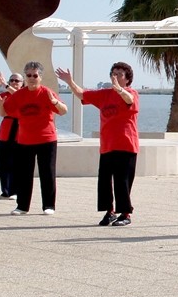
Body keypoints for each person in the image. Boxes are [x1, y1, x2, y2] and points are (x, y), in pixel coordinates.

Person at [55, 63, 140, 227]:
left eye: (120, 74)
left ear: (127, 78)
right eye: (113, 74)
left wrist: (119, 89)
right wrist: (70, 81)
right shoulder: (104, 95)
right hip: (107, 145)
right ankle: (110, 211)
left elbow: (129, 100)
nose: (115, 77)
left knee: (122, 180)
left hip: (126, 144)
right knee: (105, 180)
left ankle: (126, 213)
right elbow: (82, 94)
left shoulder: (131, 93)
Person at [0, 61, 67, 216]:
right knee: (24, 174)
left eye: (35, 75)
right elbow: (3, 113)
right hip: (24, 141)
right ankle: (22, 206)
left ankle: (49, 205)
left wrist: (55, 102)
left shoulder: (47, 92)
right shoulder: (19, 95)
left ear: (40, 77)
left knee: (47, 173)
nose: (31, 78)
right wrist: (0, 105)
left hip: (47, 139)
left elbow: (63, 111)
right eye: (28, 75)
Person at [0, 71, 22, 200]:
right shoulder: (5, 95)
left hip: (19, 129)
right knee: (3, 162)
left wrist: (5, 84)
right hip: (7, 128)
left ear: (22, 83)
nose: (13, 82)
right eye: (11, 80)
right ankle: (5, 191)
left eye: (16, 80)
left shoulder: (23, 94)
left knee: (16, 162)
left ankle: (15, 190)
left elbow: (18, 95)